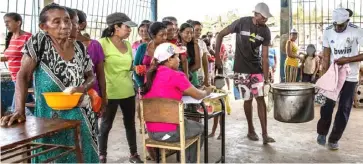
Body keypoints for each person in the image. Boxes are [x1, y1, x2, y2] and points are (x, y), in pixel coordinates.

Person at [1, 4, 98, 162]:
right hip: (49, 118)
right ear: (43, 27)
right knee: (53, 155)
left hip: (82, 115)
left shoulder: (80, 47)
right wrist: (20, 110)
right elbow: (23, 76)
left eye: (67, 21)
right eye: (57, 22)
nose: (65, 25)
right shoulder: (39, 42)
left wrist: (82, 88)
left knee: (82, 154)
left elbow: (91, 77)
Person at [214, 2, 275, 144]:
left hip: (256, 68)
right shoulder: (242, 22)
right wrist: (217, 57)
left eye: (267, 18)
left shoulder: (266, 31)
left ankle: (265, 134)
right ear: (255, 14)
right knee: (247, 100)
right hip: (241, 69)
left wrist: (266, 78)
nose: (265, 20)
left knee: (260, 99)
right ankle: (250, 129)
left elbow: (265, 57)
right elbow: (220, 35)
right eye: (263, 17)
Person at [142, 42, 213, 163]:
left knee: (187, 125)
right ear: (169, 59)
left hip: (152, 132)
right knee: (201, 128)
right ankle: (190, 162)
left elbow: (165, 90)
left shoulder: (150, 75)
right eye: (176, 57)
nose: (180, 60)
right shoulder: (176, 75)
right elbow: (198, 95)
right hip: (170, 132)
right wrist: (207, 91)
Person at [98, 12, 142, 163]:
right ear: (116, 27)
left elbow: (130, 66)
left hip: (128, 90)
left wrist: (136, 68)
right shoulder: (102, 43)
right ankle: (102, 155)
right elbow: (96, 68)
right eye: (127, 27)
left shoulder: (128, 45)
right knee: (105, 125)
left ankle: (134, 154)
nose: (130, 30)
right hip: (109, 92)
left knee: (130, 124)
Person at [317, 8, 363, 150]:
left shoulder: (357, 31)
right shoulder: (328, 30)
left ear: (347, 21)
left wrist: (347, 59)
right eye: (335, 24)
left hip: (351, 76)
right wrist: (323, 76)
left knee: (344, 108)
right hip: (334, 74)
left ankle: (334, 138)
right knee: (327, 105)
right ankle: (322, 133)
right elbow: (326, 55)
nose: (337, 28)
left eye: (341, 25)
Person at [75, 9, 107, 115]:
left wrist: (103, 98)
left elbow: (100, 74)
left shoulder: (94, 45)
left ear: (81, 25)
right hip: (68, 95)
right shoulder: (60, 45)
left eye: (69, 21)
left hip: (92, 94)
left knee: (91, 127)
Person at [3, 12, 33, 115]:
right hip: (14, 77)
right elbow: (9, 55)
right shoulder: (11, 38)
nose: (6, 25)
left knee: (15, 108)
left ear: (18, 22)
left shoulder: (28, 37)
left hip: (25, 77)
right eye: (4, 22)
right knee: (28, 102)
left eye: (8, 22)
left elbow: (33, 57)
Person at [189, 20, 209, 86]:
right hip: (188, 75)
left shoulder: (202, 43)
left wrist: (207, 77)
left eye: (200, 30)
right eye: (197, 30)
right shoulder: (186, 42)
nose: (199, 32)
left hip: (200, 75)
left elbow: (205, 62)